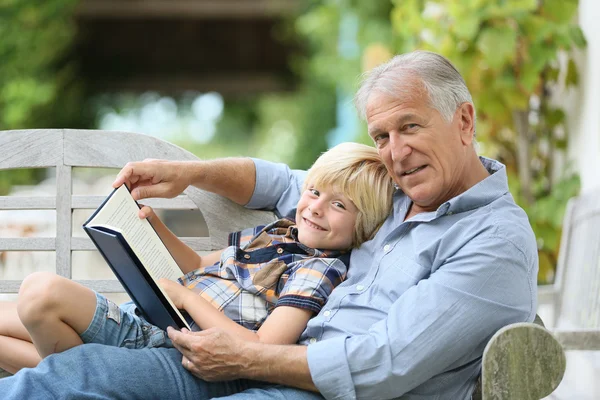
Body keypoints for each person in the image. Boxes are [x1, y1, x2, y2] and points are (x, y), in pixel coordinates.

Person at [0, 50, 538, 400]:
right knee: (72, 378)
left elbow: (385, 365)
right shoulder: (390, 193)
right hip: (246, 361)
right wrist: (186, 174)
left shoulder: (492, 241)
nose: (395, 153)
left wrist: (249, 356)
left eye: (410, 127)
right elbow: (282, 183)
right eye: (380, 136)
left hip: (311, 386)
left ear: (463, 121)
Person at [0, 143, 393, 370]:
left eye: (339, 204)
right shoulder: (279, 233)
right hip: (148, 317)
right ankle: (81, 381)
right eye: (314, 191)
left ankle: (83, 381)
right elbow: (199, 265)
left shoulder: (317, 268)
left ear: (364, 224)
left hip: (162, 342)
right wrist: (153, 228)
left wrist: (187, 299)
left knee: (40, 293)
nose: (316, 207)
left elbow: (263, 347)